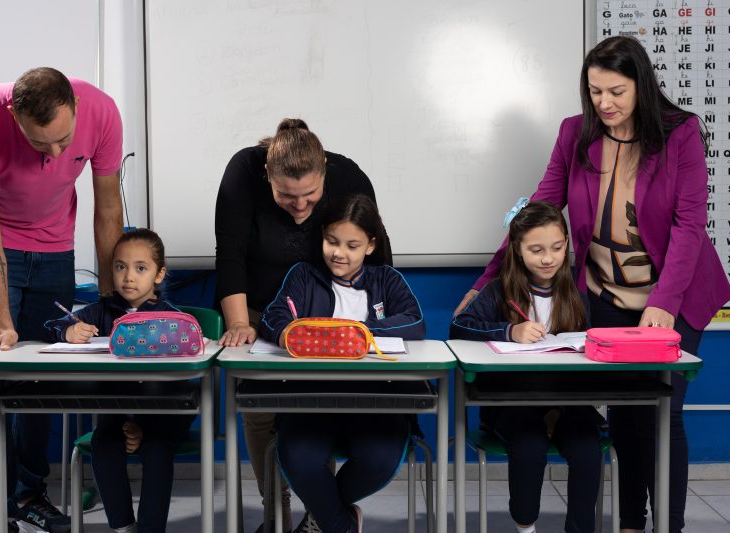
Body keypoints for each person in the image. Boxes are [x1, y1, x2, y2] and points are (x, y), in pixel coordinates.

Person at [452, 36, 730, 533]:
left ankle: (671, 526)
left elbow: (690, 227)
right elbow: (536, 214)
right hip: (606, 294)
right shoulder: (574, 133)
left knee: (666, 414)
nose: (604, 103)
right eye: (595, 91)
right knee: (624, 415)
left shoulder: (680, 133)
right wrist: (486, 281)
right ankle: (629, 523)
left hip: (676, 294)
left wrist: (663, 303)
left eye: (616, 91)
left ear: (641, 86)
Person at [0, 67, 124, 532]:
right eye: (38, 142)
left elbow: (108, 211)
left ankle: (28, 493)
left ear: (77, 108)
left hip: (54, 249)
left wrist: (111, 302)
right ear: (14, 114)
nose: (53, 154)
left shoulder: (103, 111)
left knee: (42, 379)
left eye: (64, 141)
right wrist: (4, 324)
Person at [215, 118, 387, 532]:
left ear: (324, 172)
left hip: (325, 318)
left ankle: (318, 514)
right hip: (257, 311)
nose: (300, 206)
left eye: (310, 195)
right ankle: (275, 511)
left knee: (316, 404)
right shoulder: (243, 171)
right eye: (287, 196)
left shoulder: (349, 177)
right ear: (267, 176)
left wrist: (374, 327)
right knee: (257, 411)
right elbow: (230, 255)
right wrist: (239, 323)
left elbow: (379, 266)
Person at [259, 194, 425, 533]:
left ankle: (322, 517)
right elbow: (273, 317)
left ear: (370, 245)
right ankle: (341, 524)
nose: (339, 252)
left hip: (376, 402)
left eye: (352, 245)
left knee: (379, 459)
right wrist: (287, 333)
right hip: (310, 400)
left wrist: (356, 332)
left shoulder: (386, 279)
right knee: (299, 459)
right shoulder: (304, 275)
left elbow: (414, 321)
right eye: (332, 241)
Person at [451, 201, 604, 533]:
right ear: (518, 250)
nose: (548, 258)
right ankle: (525, 526)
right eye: (536, 250)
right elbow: (460, 327)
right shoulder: (500, 291)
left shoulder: (576, 295)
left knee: (587, 450)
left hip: (566, 403)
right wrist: (509, 331)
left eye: (557, 248)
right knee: (529, 447)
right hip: (513, 403)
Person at [46, 229, 193, 533]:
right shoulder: (102, 310)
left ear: (158, 274)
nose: (128, 277)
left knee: (157, 449)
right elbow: (56, 324)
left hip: (163, 412)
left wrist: (142, 422)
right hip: (116, 408)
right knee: (104, 443)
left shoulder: (171, 317)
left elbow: (184, 373)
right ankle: (123, 527)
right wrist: (68, 332)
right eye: (120, 267)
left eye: (141, 268)